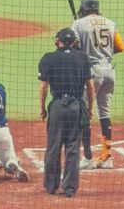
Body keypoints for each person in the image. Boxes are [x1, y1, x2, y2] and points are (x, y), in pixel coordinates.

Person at [38, 28, 95, 198]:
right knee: (73, 148)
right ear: (74, 41)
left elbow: (43, 86)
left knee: (53, 147)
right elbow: (90, 86)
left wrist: (42, 109)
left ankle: (51, 186)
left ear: (58, 41)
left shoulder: (48, 58)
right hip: (76, 106)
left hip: (57, 107)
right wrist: (90, 109)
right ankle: (69, 188)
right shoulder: (83, 57)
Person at [72, 0, 124, 170]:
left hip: (91, 74)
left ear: (84, 8)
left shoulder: (78, 24)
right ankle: (107, 157)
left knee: (85, 113)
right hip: (109, 71)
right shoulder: (110, 23)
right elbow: (120, 47)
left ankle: (87, 158)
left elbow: (74, 49)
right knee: (104, 112)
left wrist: (85, 46)